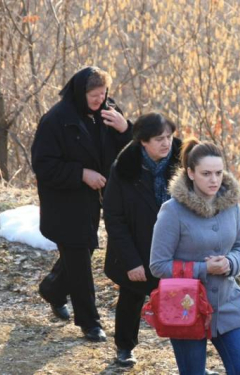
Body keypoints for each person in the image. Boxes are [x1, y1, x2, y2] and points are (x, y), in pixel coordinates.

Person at [31, 66, 132, 342]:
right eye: (94, 95)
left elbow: (129, 151)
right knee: (79, 259)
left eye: (104, 94)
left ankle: (52, 289)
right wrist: (81, 174)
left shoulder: (109, 113)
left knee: (83, 250)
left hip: (94, 200)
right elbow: (43, 165)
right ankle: (90, 322)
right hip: (63, 201)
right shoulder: (55, 120)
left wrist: (126, 129)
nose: (100, 100)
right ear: (79, 92)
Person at [150, 138, 240, 375]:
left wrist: (230, 262)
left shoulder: (232, 205)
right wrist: (203, 269)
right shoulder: (172, 211)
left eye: (218, 173)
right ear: (191, 173)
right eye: (206, 173)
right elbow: (157, 265)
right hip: (185, 308)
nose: (214, 180)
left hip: (228, 304)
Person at [103, 113, 181, 366]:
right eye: (159, 139)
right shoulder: (125, 166)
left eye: (169, 137)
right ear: (143, 141)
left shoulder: (185, 159)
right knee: (132, 296)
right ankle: (125, 347)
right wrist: (131, 261)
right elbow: (114, 218)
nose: (166, 143)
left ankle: (191, 356)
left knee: (184, 301)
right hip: (138, 246)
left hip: (177, 246)